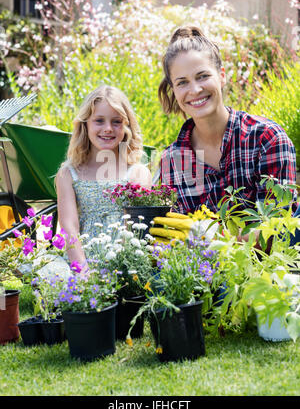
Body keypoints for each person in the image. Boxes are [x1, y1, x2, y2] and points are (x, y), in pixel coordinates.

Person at [157, 25, 299, 240]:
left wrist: (207, 238)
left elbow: (278, 232)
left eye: (203, 76)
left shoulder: (267, 139)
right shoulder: (172, 160)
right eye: (182, 82)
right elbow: (174, 241)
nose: (195, 90)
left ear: (222, 76)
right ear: (174, 91)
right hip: (200, 273)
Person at [55, 85, 152, 273]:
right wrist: (83, 271)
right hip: (81, 261)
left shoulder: (137, 173)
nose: (107, 129)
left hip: (127, 264)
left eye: (116, 122)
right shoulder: (68, 174)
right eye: (99, 121)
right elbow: (69, 227)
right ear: (85, 124)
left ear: (127, 127)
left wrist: (119, 269)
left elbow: (137, 229)